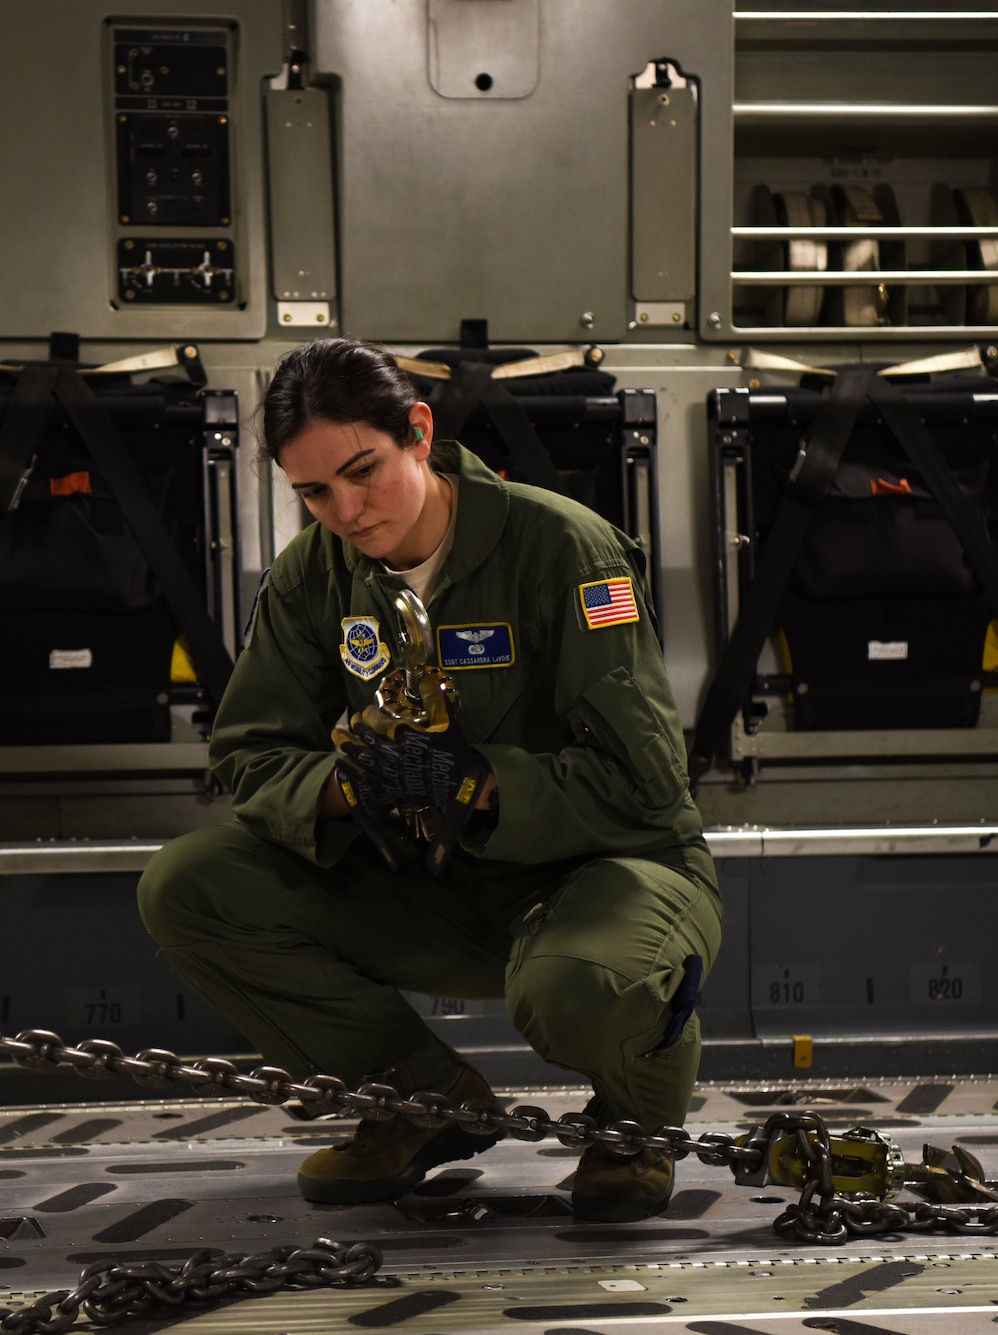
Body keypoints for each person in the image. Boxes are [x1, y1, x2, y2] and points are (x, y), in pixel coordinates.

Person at [137, 337, 720, 1222]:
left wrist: (478, 783)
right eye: (313, 493)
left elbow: (644, 784)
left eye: (362, 472)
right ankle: (416, 1101)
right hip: (436, 885)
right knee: (189, 886)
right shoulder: (314, 576)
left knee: (580, 988)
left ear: (418, 430)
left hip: (604, 877)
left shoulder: (564, 548)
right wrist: (349, 787)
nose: (346, 509)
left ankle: (636, 1122)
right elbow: (249, 754)